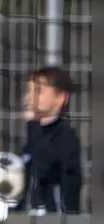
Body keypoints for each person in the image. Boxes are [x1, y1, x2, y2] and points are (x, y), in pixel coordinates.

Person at [17, 65, 83, 214]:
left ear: (61, 98)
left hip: (56, 223)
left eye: (38, 91)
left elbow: (44, 167)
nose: (29, 97)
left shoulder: (66, 137)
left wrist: (33, 124)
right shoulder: (30, 138)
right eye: (29, 91)